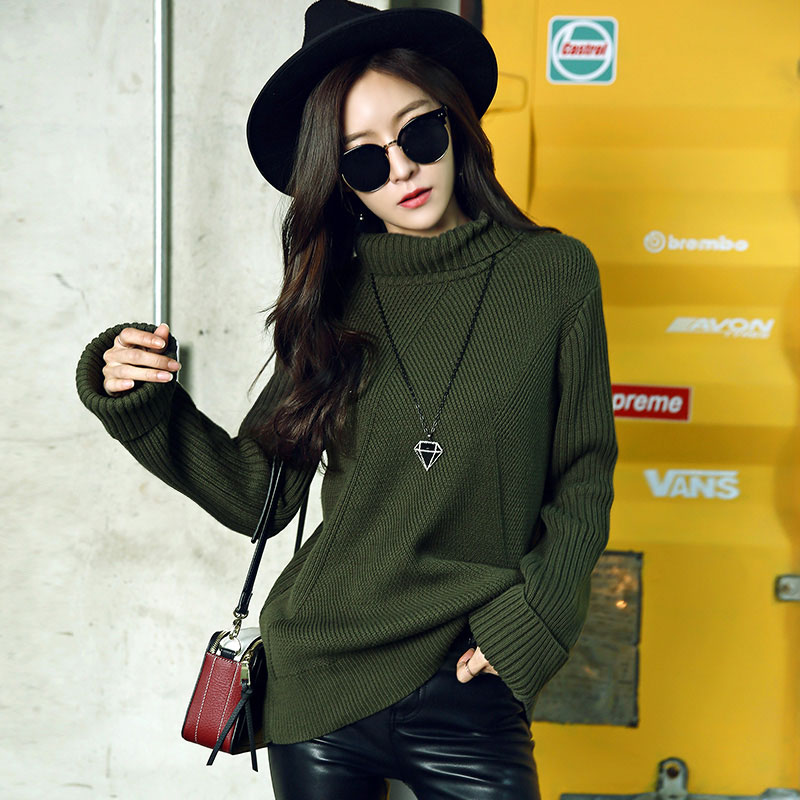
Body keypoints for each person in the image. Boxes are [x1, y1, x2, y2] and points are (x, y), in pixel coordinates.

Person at [75, 1, 618, 797]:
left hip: (468, 685)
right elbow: (257, 494)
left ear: (456, 122)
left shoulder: (553, 275)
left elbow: (584, 477)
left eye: (417, 134)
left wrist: (530, 624)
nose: (400, 170)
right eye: (362, 160)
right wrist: (138, 403)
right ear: (340, 182)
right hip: (319, 685)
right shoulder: (334, 301)